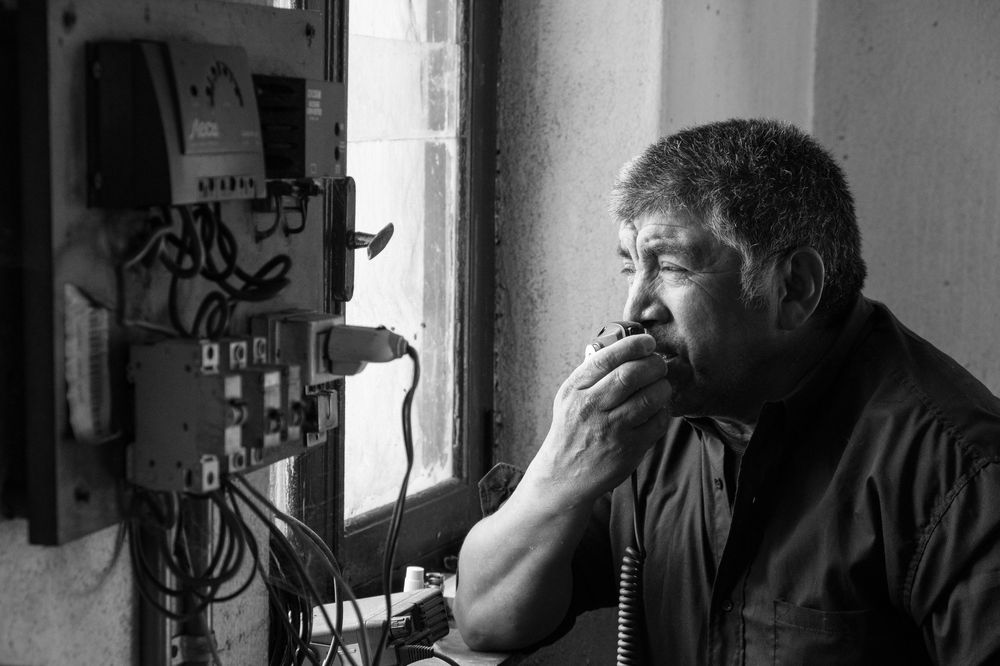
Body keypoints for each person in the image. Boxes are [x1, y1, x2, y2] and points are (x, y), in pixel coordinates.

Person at [454, 118, 1000, 664]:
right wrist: (560, 470)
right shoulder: (645, 418)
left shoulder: (959, 472)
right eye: (630, 269)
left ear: (793, 288)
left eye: (671, 268)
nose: (634, 310)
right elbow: (485, 621)